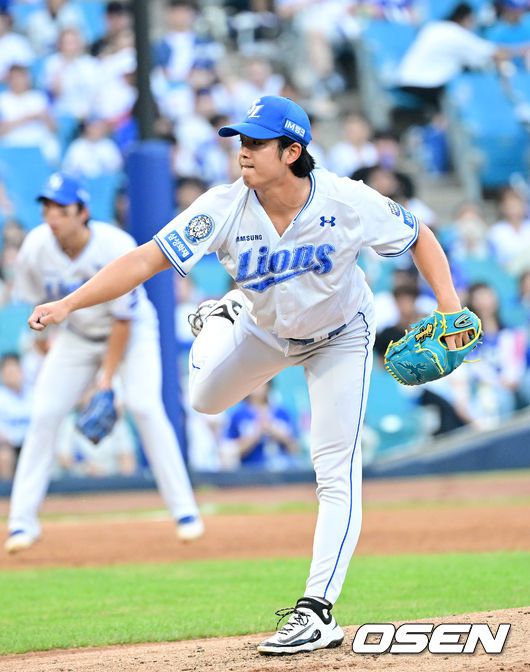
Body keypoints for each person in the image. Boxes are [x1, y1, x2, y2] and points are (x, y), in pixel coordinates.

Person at [25, 96, 471, 656]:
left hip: (340, 336)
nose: (244, 152)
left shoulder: (345, 200)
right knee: (204, 399)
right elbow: (143, 260)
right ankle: (225, 313)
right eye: (242, 141)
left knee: (336, 471)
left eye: (257, 142)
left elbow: (419, 234)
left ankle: (317, 610)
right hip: (265, 330)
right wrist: (68, 303)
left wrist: (450, 307)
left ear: (292, 152)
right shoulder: (223, 206)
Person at [4, 172, 204, 554]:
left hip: (132, 333)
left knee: (145, 407)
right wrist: (45, 346)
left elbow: (122, 322)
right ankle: (21, 522)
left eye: (62, 209)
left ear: (83, 213)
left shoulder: (114, 245)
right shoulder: (36, 247)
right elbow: (35, 304)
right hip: (75, 337)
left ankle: (185, 512)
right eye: (47, 208)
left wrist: (106, 382)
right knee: (44, 413)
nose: (52, 216)